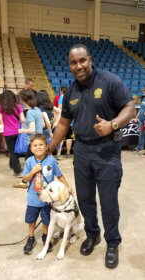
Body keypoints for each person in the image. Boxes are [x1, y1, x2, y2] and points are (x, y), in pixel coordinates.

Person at [48, 44, 135, 268]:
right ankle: (92, 234)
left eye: (82, 61)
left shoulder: (109, 81)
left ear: (90, 60)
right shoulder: (71, 93)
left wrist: (112, 124)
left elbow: (130, 107)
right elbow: (64, 123)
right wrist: (49, 148)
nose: (78, 66)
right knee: (85, 200)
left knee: (108, 202)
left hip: (107, 151)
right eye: (73, 63)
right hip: (82, 151)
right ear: (69, 65)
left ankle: (112, 243)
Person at [22, 133, 72, 255]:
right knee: (31, 220)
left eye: (41, 145)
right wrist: (32, 171)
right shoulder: (29, 161)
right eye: (35, 145)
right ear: (31, 148)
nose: (38, 147)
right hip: (33, 199)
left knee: (46, 220)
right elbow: (24, 180)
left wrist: (67, 186)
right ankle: (31, 238)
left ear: (46, 147)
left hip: (47, 200)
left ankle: (45, 236)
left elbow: (59, 175)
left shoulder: (51, 160)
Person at [0, 90, 25, 176]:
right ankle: (12, 167)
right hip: (18, 132)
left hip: (8, 133)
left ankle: (17, 171)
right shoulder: (18, 106)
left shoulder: (1, 107)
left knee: (12, 151)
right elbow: (22, 120)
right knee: (15, 151)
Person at [18, 90, 43, 160]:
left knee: (30, 162)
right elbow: (43, 124)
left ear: (23, 100)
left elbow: (32, 130)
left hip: (34, 141)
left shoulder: (30, 112)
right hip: (40, 139)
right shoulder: (37, 109)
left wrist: (21, 130)